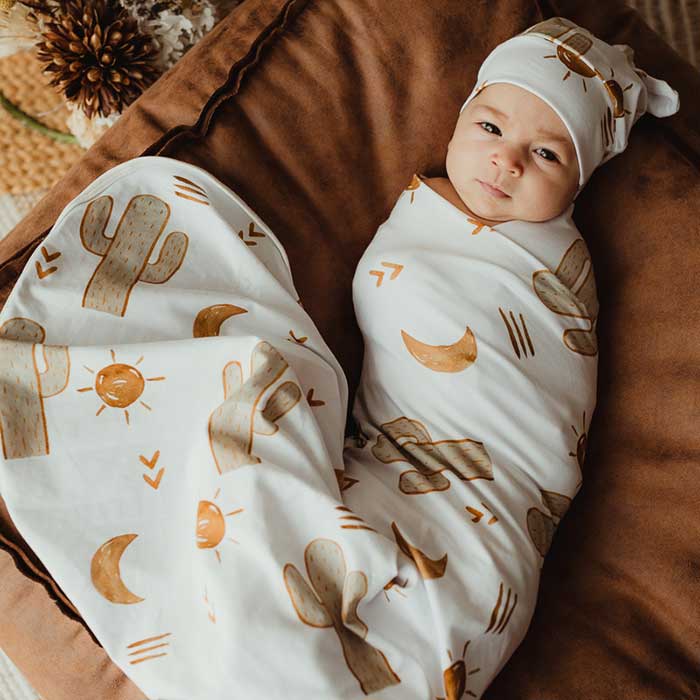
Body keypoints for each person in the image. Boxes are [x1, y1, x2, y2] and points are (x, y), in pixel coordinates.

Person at [0, 16, 679, 700]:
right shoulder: (430, 210)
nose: (506, 161)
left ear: (576, 185)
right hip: (397, 467)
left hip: (480, 513)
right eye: (492, 128)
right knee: (253, 427)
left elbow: (540, 409)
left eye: (547, 155)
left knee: (284, 507)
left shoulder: (554, 276)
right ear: (460, 120)